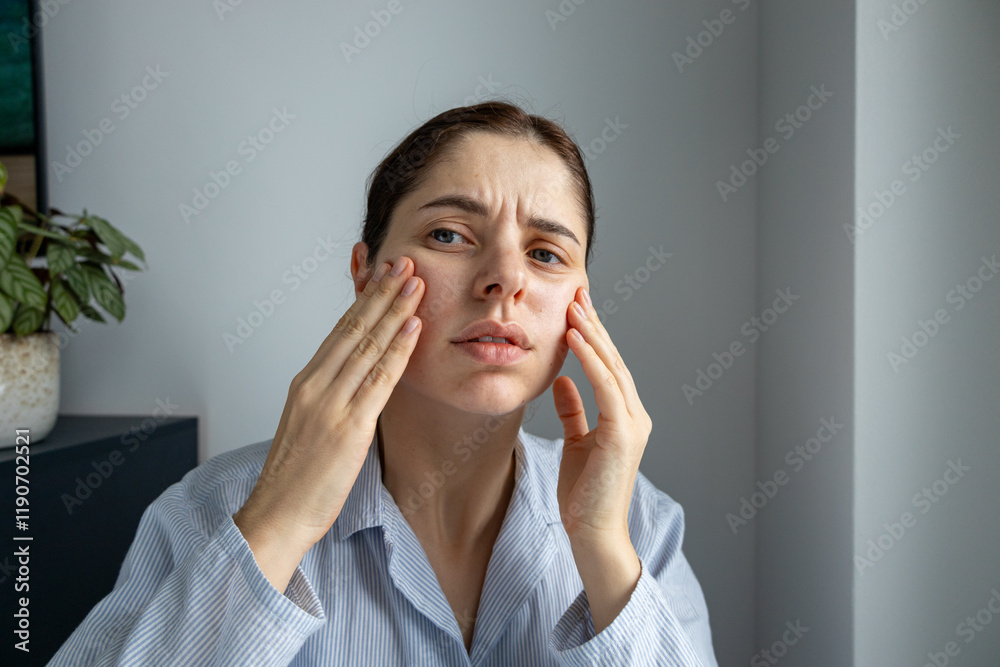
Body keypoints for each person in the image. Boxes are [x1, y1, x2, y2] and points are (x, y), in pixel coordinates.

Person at [49, 100, 718, 666]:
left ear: (582, 301)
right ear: (365, 273)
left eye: (546, 253)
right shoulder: (207, 511)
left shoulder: (640, 526)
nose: (505, 279)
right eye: (450, 235)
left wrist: (601, 551)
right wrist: (278, 521)